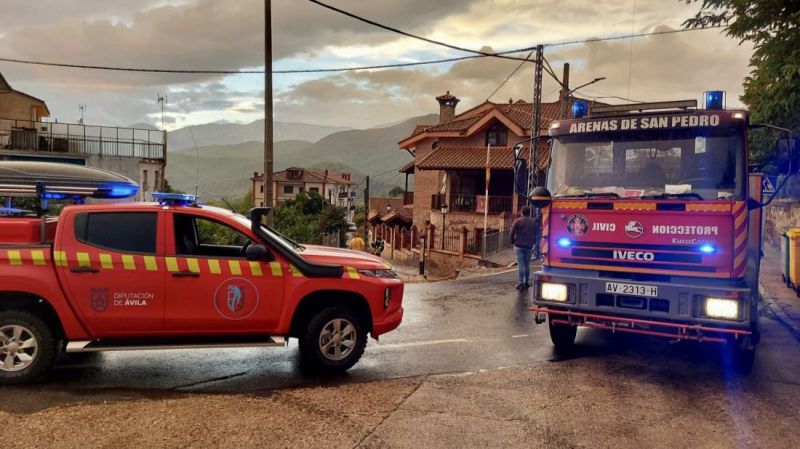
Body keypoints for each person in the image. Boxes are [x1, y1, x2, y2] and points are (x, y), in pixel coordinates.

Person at [510, 206, 537, 290]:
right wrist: (533, 242)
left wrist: (512, 241)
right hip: (528, 246)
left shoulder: (517, 221)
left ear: (522, 212)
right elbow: (535, 234)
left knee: (521, 265)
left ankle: (520, 283)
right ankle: (526, 282)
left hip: (519, 245)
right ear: (529, 213)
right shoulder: (533, 222)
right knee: (527, 265)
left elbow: (512, 232)